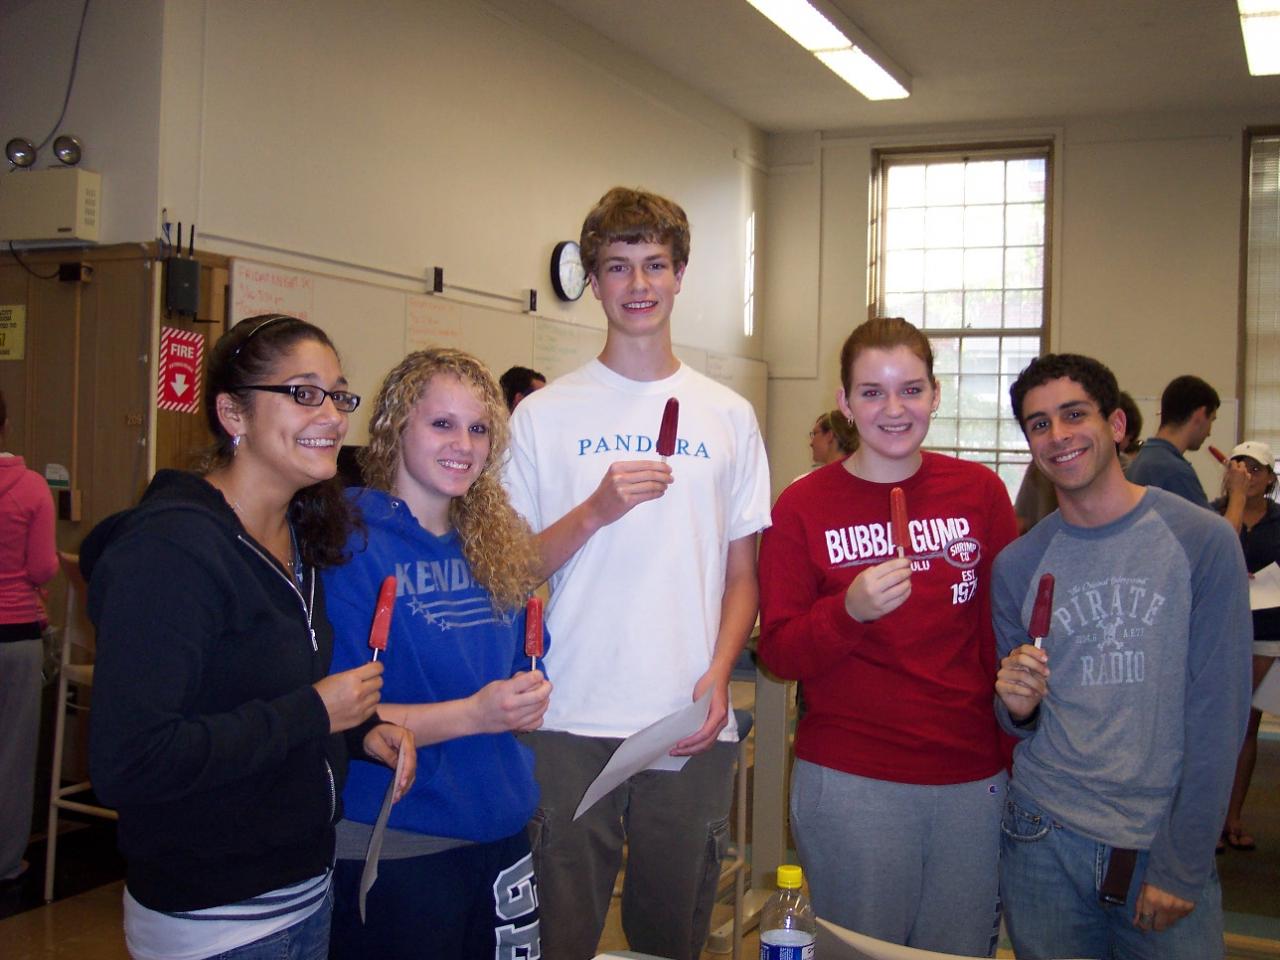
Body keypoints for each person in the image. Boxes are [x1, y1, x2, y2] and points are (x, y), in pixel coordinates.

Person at [83, 314, 415, 960]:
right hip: (215, 917)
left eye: (338, 395)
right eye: (302, 393)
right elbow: (132, 762)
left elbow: (259, 687)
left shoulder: (302, 534)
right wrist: (317, 712)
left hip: (304, 891)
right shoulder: (172, 553)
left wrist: (357, 729)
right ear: (233, 414)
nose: (330, 415)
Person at [504, 186, 771, 960]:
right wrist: (593, 510)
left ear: (681, 274)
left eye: (656, 264)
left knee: (670, 935)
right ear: (593, 281)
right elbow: (514, 572)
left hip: (685, 718)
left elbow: (742, 575)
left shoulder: (726, 415)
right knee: (560, 933)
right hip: (567, 714)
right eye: (618, 267)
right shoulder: (546, 416)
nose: (639, 284)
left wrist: (719, 675)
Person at [757, 316, 1017, 956]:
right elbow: (780, 651)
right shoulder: (803, 506)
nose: (894, 409)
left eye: (911, 389)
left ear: (935, 394)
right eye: (872, 391)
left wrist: (1015, 738)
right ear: (845, 403)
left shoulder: (979, 492)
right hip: (853, 779)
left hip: (969, 778)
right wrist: (847, 610)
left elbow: (1001, 634)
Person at [994, 353, 1251, 960]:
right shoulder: (1020, 564)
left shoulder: (1201, 543)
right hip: (1043, 837)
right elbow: (1014, 718)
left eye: (1073, 414)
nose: (1057, 435)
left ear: (1115, 425)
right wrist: (1017, 707)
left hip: (1157, 840)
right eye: (1038, 424)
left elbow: (1221, 713)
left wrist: (1185, 862)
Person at [324, 348, 551, 958]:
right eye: (442, 424)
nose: (464, 444)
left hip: (502, 831)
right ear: (397, 425)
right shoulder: (348, 546)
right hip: (401, 839)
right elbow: (342, 721)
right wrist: (476, 715)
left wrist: (527, 698)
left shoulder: (495, 547)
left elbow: (524, 671)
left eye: (479, 428)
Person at [0, 389, 58, 885]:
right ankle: (5, 861)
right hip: (16, 636)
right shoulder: (31, 486)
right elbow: (42, 567)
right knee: (12, 757)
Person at [1212, 440, 1280, 854]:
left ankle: (1232, 816)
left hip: (1267, 629)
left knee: (1245, 726)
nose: (1248, 475)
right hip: (1222, 629)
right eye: (1241, 467)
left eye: (1257, 469)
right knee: (1216, 722)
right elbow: (1218, 552)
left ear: (1271, 478)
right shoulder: (1213, 511)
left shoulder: (1279, 520)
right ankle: (1209, 816)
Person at [1126, 374, 1220, 507]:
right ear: (1200, 414)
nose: (1209, 433)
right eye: (1211, 420)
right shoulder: (1175, 472)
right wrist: (1238, 494)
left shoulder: (1143, 459)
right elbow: (1220, 528)